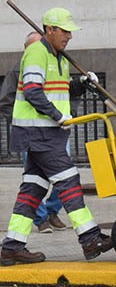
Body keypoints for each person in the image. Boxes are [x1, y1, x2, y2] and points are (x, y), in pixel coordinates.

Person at [3, 8, 112, 265]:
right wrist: (56, 116)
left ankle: (12, 247)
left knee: (33, 189)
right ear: (49, 30)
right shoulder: (36, 53)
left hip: (48, 133)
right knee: (68, 180)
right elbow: (32, 91)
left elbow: (58, 92)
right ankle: (89, 238)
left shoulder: (59, 58)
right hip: (38, 132)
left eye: (70, 31)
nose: (69, 36)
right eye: (64, 31)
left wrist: (82, 84)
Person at [2, 32, 69, 233]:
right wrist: (22, 122)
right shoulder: (20, 70)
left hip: (55, 130)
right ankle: (42, 220)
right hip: (32, 133)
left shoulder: (56, 61)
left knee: (37, 182)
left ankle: (16, 240)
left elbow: (62, 92)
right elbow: (8, 100)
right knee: (64, 180)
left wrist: (65, 114)